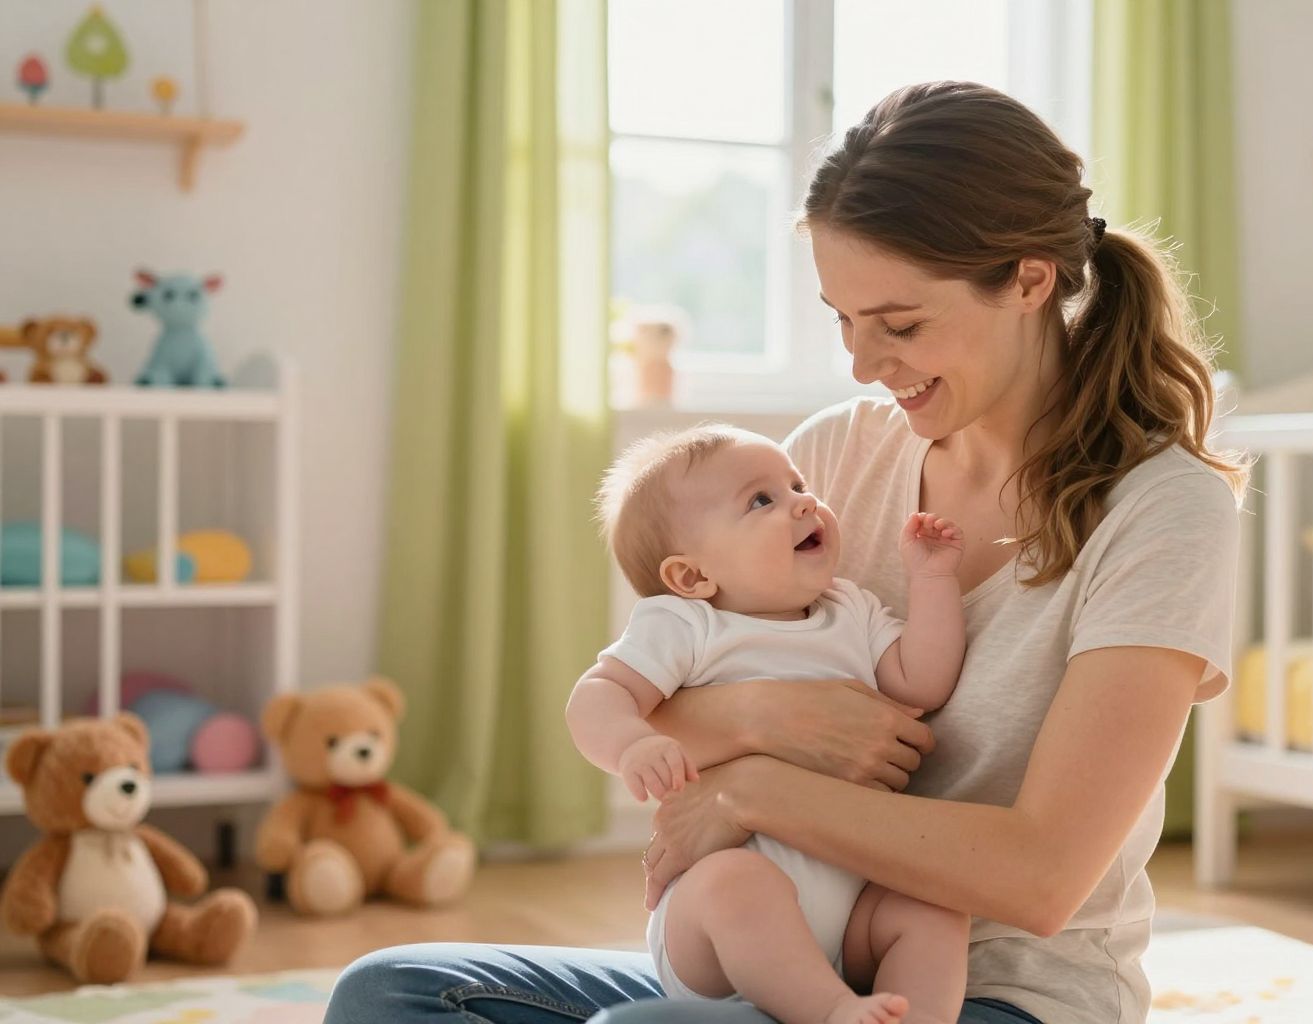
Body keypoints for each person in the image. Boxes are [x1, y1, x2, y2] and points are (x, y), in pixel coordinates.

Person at [324, 80, 1246, 1024]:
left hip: (999, 992)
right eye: (842, 319)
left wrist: (754, 791)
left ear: (1028, 279)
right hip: (790, 956)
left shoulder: (1164, 512)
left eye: (900, 324)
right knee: (394, 993)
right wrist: (769, 716)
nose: (863, 364)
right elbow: (648, 716)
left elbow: (1042, 876)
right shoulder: (837, 454)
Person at [567, 424, 970, 1024]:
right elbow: (597, 695)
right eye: (762, 500)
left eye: (797, 484)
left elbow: (922, 682)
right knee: (738, 880)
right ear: (691, 578)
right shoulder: (686, 625)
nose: (803, 501)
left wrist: (934, 580)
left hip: (848, 913)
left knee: (932, 909)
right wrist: (633, 744)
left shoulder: (849, 609)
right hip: (715, 932)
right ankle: (832, 1013)